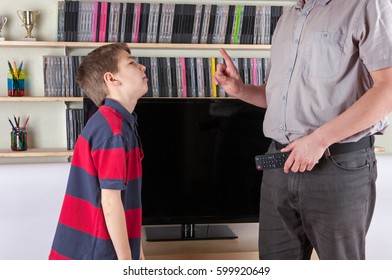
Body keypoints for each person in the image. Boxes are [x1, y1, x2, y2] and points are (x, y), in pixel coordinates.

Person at [214, 0, 392, 260]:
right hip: (279, 168)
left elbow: (387, 89)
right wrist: (241, 90)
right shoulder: (288, 18)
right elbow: (277, 97)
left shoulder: (367, 5)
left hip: (338, 167)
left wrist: (319, 140)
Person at [49, 43, 148, 260]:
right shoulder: (112, 130)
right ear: (111, 79)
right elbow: (111, 203)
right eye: (132, 63)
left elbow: (125, 200)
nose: (143, 68)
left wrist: (137, 252)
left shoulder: (119, 124)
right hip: (93, 255)